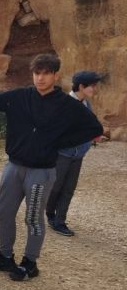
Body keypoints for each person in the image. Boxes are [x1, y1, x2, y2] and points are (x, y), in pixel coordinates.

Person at [0, 54, 103, 281]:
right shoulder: (20, 96)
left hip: (41, 171)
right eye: (37, 73)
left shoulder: (67, 105)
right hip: (14, 166)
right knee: (3, 212)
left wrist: (59, 142)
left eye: (46, 73)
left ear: (56, 75)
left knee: (33, 218)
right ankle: (5, 257)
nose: (40, 78)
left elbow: (94, 128)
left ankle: (30, 262)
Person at [46, 70, 104, 236]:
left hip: (78, 155)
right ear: (81, 86)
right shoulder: (63, 103)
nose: (94, 89)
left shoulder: (86, 104)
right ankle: (49, 213)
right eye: (92, 86)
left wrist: (90, 140)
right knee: (56, 186)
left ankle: (59, 221)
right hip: (62, 154)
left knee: (69, 188)